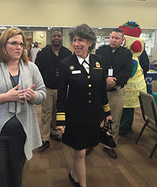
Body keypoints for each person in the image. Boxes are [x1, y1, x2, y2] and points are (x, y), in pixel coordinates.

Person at [0, 28, 46, 187]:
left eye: (21, 44)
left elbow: (42, 93)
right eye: (14, 43)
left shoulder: (30, 68)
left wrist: (32, 96)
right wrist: (6, 96)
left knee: (15, 176)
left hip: (20, 134)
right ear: (3, 45)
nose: (19, 47)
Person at [56, 24, 112, 187]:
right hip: (75, 116)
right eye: (74, 40)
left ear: (90, 42)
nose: (76, 44)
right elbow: (61, 95)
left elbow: (102, 90)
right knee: (80, 151)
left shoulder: (99, 62)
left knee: (82, 150)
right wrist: (61, 119)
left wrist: (107, 112)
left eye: (80, 40)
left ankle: (74, 174)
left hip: (93, 116)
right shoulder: (66, 64)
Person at [96, 28, 133, 158]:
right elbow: (96, 68)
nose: (113, 40)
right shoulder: (100, 51)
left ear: (122, 40)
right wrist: (105, 78)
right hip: (100, 91)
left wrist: (114, 80)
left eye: (117, 38)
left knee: (114, 120)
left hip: (116, 91)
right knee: (96, 118)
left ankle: (109, 145)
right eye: (112, 37)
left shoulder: (127, 54)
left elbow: (128, 71)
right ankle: (91, 142)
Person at [35, 28, 72, 151]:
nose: (56, 38)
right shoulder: (43, 53)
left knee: (58, 112)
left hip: (62, 88)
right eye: (54, 36)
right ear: (51, 38)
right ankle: (45, 138)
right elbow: (37, 70)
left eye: (59, 36)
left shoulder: (67, 53)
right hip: (47, 88)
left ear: (62, 38)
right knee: (46, 113)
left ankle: (54, 131)